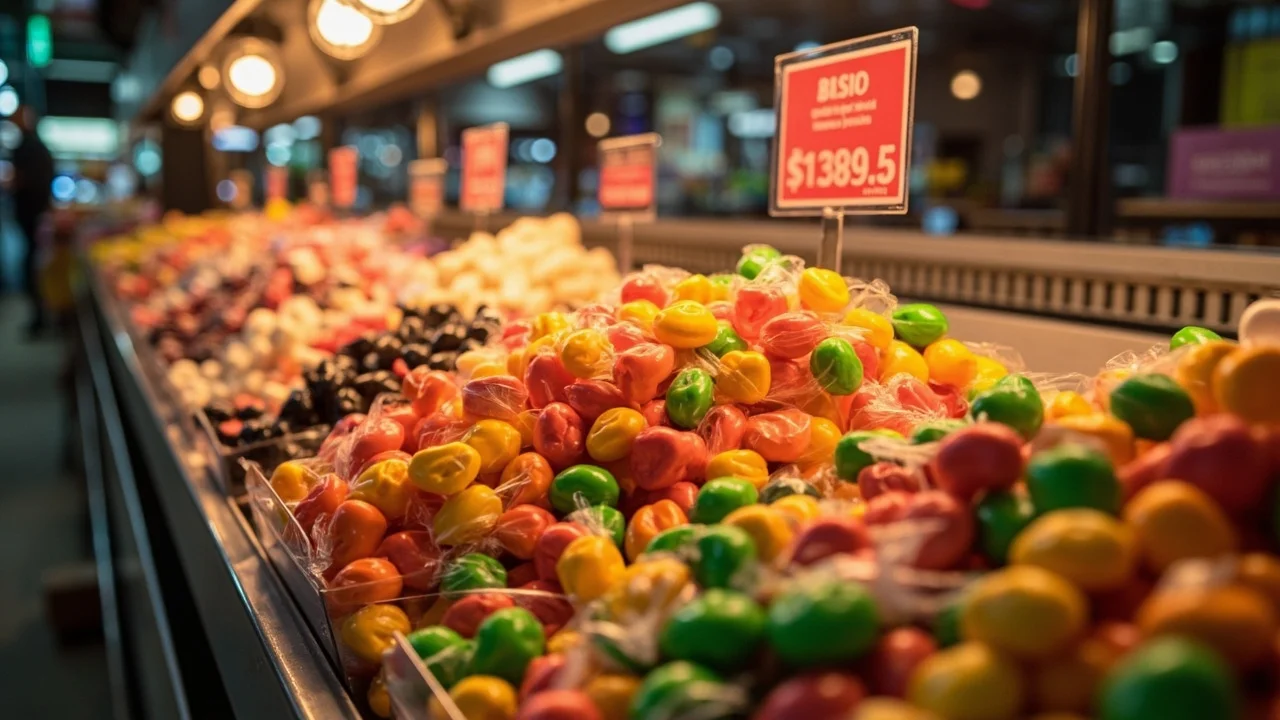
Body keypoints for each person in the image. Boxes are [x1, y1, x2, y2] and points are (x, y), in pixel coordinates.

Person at [10, 105, 54, 335]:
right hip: (37, 213)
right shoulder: (38, 146)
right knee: (35, 262)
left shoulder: (26, 147)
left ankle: (39, 316)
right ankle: (41, 314)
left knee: (31, 264)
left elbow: (20, 179)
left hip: (30, 213)